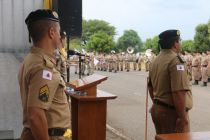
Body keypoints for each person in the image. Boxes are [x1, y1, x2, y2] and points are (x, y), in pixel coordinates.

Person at [18, 9, 71, 140]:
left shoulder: (32, 59)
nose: (60, 36)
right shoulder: (43, 67)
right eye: (58, 32)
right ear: (51, 33)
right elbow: (35, 115)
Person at [148, 30, 193, 134]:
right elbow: (178, 92)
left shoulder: (155, 60)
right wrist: (182, 118)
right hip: (172, 113)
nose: (180, 43)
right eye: (180, 41)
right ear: (175, 43)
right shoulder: (176, 61)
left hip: (158, 109)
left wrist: (157, 103)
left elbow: (150, 87)